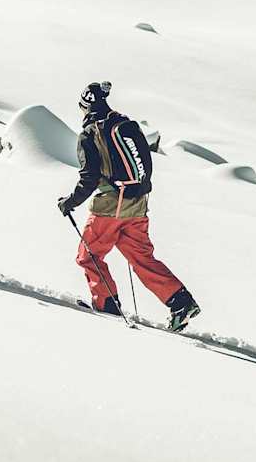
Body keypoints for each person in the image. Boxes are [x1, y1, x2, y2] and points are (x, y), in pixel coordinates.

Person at [57, 82, 201, 331]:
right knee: (141, 257)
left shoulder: (91, 133)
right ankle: (180, 302)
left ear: (86, 105)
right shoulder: (123, 124)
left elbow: (89, 177)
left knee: (88, 255)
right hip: (137, 203)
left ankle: (106, 304)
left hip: (110, 207)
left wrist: (70, 202)